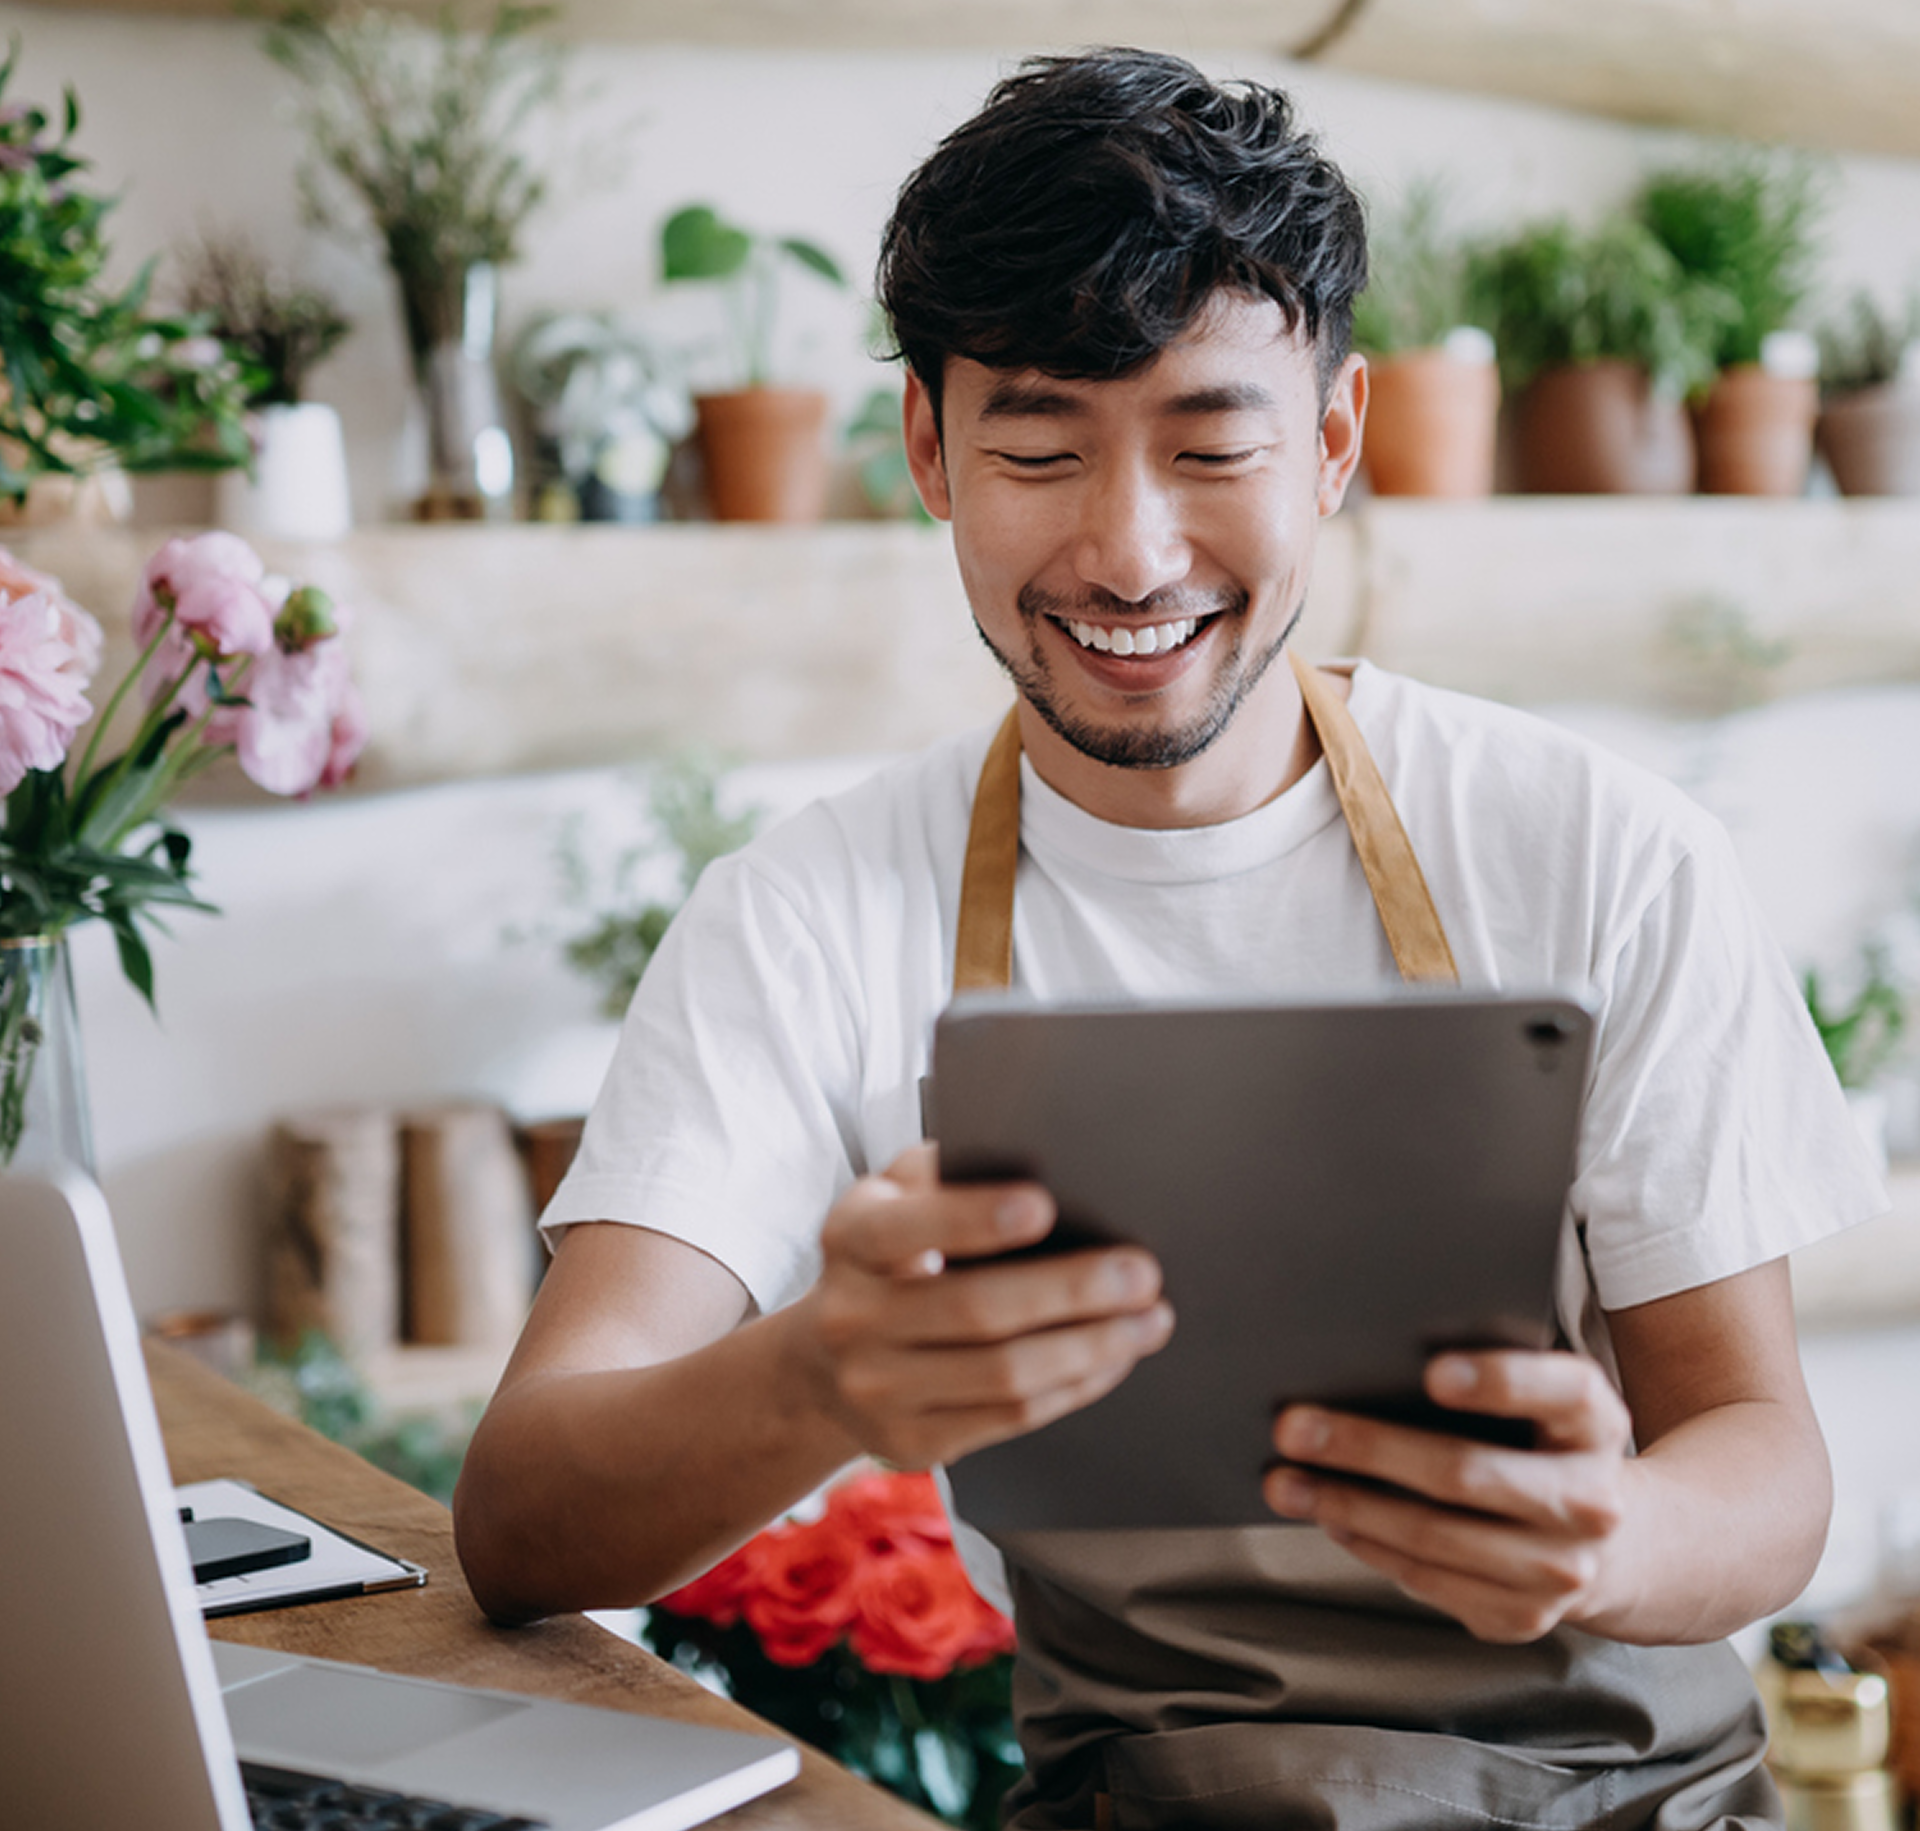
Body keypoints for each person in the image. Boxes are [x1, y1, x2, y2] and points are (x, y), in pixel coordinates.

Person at [455, 48, 1885, 1829]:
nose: (1129, 554)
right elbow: (518, 1518)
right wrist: (821, 1372)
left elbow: (1766, 1464)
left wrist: (1612, 1534)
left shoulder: (1601, 851)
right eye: (1038, 450)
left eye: (1213, 447)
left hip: (1624, 1800)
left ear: (1337, 440)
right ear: (928, 451)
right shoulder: (806, 915)